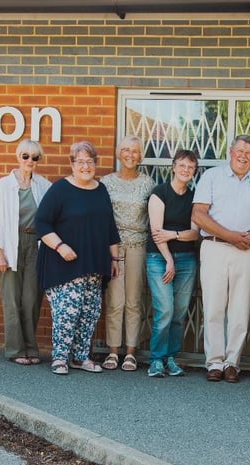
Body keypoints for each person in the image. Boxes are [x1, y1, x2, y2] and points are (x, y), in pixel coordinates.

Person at [192, 134, 250, 383]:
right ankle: (214, 362)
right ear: (230, 151)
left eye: (249, 152)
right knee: (214, 307)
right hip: (215, 248)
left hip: (246, 251)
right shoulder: (212, 176)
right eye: (240, 150)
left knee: (240, 308)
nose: (243, 156)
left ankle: (232, 363)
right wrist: (229, 236)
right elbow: (198, 214)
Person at [36, 141, 120, 375]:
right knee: (67, 312)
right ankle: (60, 358)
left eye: (90, 161)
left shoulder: (101, 189)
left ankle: (80, 357)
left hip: (94, 264)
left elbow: (110, 226)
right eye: (80, 161)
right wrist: (60, 246)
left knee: (89, 312)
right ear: (72, 164)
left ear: (95, 164)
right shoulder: (60, 189)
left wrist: (115, 259)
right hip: (64, 264)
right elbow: (41, 223)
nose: (86, 166)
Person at [0, 139, 52, 365]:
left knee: (31, 299)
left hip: (35, 243)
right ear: (18, 157)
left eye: (35, 157)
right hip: (10, 243)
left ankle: (31, 348)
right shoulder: (4, 185)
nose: (30, 161)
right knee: (12, 300)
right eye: (25, 156)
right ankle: (15, 349)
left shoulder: (44, 185)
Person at [101, 136, 156, 372]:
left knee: (134, 300)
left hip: (137, 246)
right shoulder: (105, 182)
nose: (130, 154)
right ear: (117, 153)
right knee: (114, 300)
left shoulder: (148, 184)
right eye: (125, 150)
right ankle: (113, 351)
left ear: (140, 156)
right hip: (112, 246)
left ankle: (131, 352)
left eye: (135, 151)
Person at [145, 150, 200, 378]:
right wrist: (169, 259)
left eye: (191, 167)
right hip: (159, 259)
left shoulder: (194, 197)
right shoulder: (160, 193)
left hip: (187, 259)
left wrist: (174, 234)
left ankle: (170, 358)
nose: (186, 170)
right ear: (173, 167)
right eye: (182, 165)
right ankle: (156, 360)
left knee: (178, 313)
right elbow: (157, 233)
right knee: (165, 310)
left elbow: (195, 234)